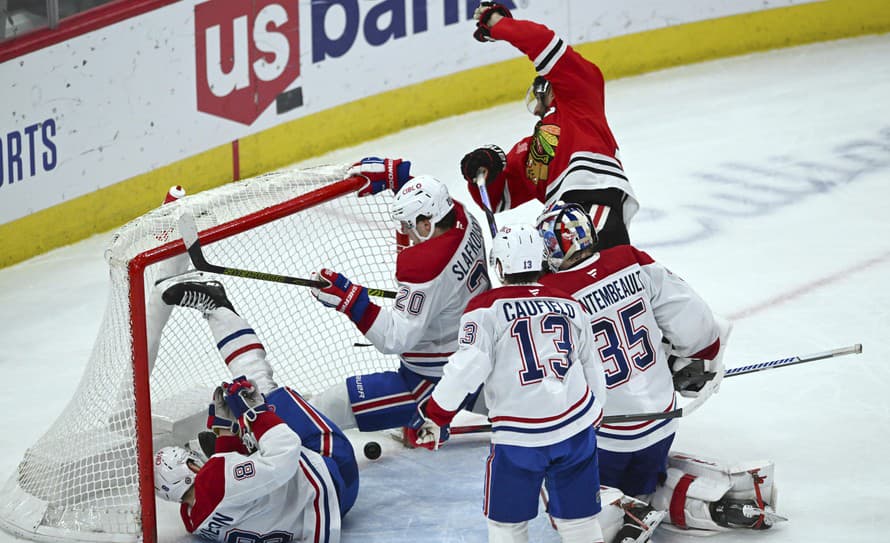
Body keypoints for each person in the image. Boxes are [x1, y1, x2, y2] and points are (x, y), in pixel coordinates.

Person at [535, 202, 783, 533]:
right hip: (662, 423)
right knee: (649, 483)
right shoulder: (631, 260)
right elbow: (699, 326)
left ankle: (613, 522)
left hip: (607, 439)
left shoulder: (549, 299)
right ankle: (731, 492)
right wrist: (690, 361)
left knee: (547, 473)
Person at [411, 224, 609, 543]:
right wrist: (594, 414)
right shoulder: (571, 304)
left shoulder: (485, 309)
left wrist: (436, 416)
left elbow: (466, 370)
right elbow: (591, 364)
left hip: (519, 440)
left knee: (507, 526)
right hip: (576, 428)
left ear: (499, 266)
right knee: (580, 522)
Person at [153, 274, 359, 542]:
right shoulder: (216, 481)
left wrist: (226, 435)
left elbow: (235, 488)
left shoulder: (193, 521)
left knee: (250, 433)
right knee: (267, 394)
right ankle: (217, 307)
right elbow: (284, 452)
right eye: (192, 459)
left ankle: (244, 438)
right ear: (192, 468)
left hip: (314, 510)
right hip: (335, 475)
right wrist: (256, 413)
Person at [309, 162, 491, 448]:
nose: (406, 231)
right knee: (529, 408)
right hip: (480, 363)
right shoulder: (464, 217)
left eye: (409, 224)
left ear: (427, 224)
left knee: (326, 407)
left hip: (432, 380)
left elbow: (397, 337)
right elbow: (437, 199)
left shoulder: (425, 266)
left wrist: (352, 302)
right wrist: (403, 180)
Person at [460, 2, 638, 251]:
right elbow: (498, 198)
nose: (535, 106)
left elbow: (540, 40)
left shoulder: (580, 94)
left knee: (606, 273)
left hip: (594, 198)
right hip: (557, 227)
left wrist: (500, 25)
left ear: (550, 87)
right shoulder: (531, 148)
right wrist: (484, 168)